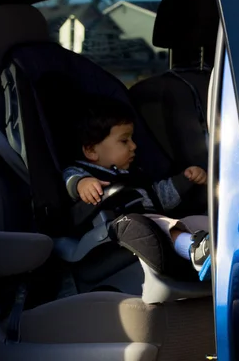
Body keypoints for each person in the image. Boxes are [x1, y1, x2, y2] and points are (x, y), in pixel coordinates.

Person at [62, 97, 211, 280]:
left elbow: (159, 197)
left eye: (132, 139)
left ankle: (216, 246)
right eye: (124, 141)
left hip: (153, 223)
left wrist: (185, 180)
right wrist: (81, 183)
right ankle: (194, 250)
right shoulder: (84, 172)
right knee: (156, 223)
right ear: (92, 151)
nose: (134, 146)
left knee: (197, 220)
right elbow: (69, 178)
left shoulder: (134, 174)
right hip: (117, 234)